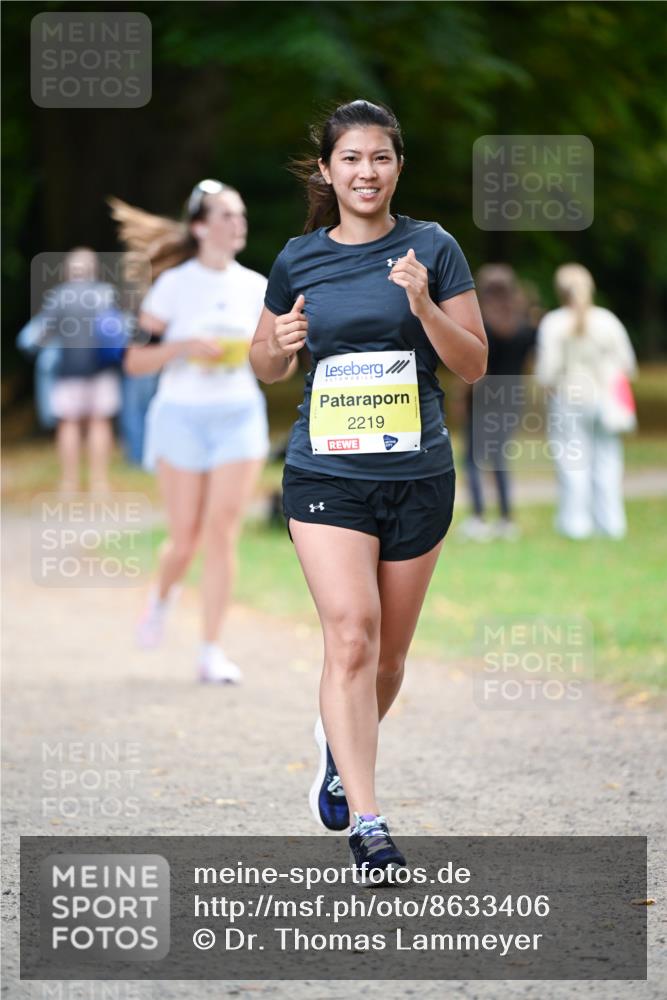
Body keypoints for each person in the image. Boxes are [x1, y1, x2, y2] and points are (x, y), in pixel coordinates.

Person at [250, 100, 486, 876]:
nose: (365, 172)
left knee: (385, 660)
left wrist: (421, 304)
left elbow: (474, 362)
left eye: (379, 157)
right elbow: (265, 361)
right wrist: (278, 346)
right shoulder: (297, 258)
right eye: (350, 158)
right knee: (350, 633)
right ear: (327, 169)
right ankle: (370, 823)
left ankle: (335, 753)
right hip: (326, 473)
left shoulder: (432, 248)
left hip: (417, 473)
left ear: (396, 166)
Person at [116, 180, 270, 682]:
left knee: (222, 532)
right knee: (184, 539)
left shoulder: (257, 287)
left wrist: (266, 352)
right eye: (227, 214)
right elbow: (136, 360)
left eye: (241, 214)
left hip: (238, 414)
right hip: (180, 416)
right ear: (201, 226)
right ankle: (161, 598)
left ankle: (211, 651)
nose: (238, 222)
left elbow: (276, 367)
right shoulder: (172, 286)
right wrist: (183, 347)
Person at [534, 263, 637, 540]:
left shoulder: (554, 322)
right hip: (605, 401)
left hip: (568, 399)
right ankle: (612, 524)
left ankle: (576, 525)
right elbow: (627, 363)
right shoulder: (607, 320)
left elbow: (548, 370)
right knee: (608, 460)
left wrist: (547, 388)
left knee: (572, 462)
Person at [459, 264, 537, 542]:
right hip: (512, 395)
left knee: (471, 460)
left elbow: (475, 368)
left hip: (483, 397)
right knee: (500, 458)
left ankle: (478, 518)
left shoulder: (482, 322)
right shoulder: (525, 324)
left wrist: (464, 398)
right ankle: (506, 519)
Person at [40, 247, 121, 493]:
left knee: (68, 424)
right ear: (94, 269)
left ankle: (69, 482)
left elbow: (43, 334)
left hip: (68, 372)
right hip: (102, 370)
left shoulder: (59, 296)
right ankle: (99, 482)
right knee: (100, 423)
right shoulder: (105, 294)